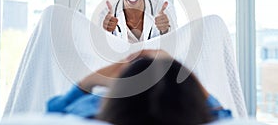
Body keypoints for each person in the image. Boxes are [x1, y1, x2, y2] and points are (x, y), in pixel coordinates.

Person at [47, 50, 232, 125]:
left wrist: (89, 81)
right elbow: (224, 116)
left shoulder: (90, 109)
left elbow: (53, 109)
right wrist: (178, 69)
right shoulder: (208, 116)